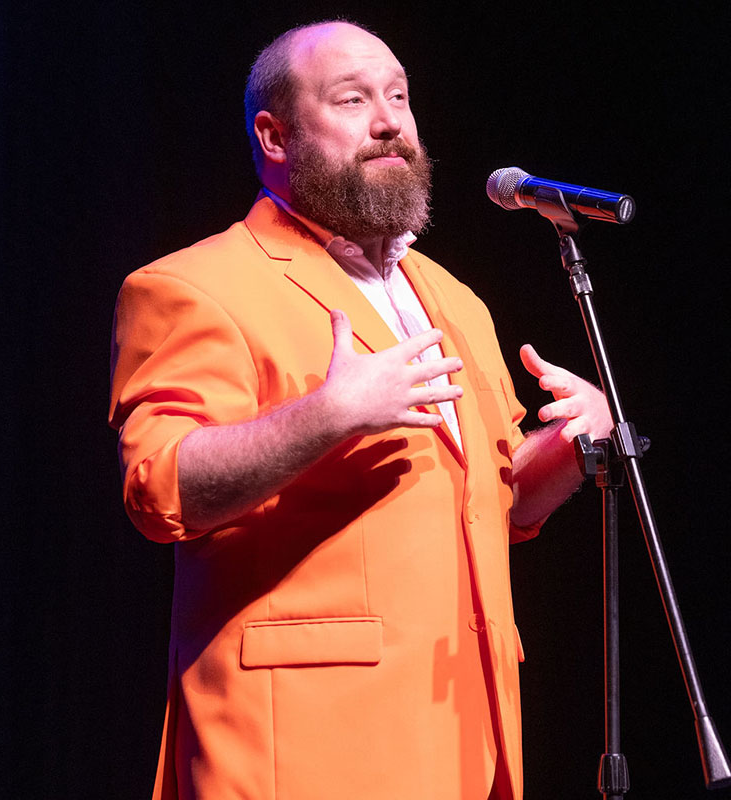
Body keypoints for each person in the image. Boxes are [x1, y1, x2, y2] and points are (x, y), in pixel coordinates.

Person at [109, 20, 611, 800]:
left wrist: (571, 446)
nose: (389, 121)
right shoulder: (190, 287)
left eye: (399, 98)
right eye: (352, 99)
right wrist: (328, 414)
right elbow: (160, 490)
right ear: (275, 137)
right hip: (302, 748)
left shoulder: (456, 301)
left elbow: (499, 505)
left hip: (465, 737)